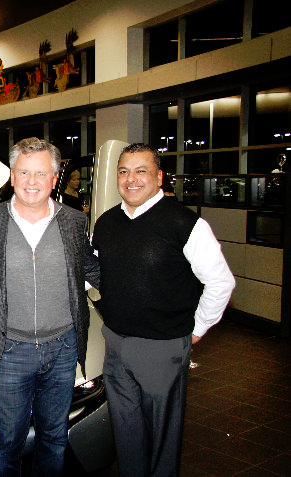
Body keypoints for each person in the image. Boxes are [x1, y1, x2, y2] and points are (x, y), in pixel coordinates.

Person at [91, 143, 235, 477]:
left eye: (141, 171)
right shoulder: (107, 222)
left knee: (161, 436)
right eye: (124, 171)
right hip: (115, 344)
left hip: (162, 347)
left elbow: (220, 282)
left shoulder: (184, 223)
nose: (131, 179)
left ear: (158, 176)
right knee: (125, 431)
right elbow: (94, 273)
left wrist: (196, 329)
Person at [0, 137, 100, 477]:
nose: (31, 181)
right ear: (12, 176)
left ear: (54, 179)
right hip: (10, 351)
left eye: (41, 173)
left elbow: (91, 269)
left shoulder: (74, 222)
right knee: (7, 443)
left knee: (54, 438)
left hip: (63, 349)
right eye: (24, 172)